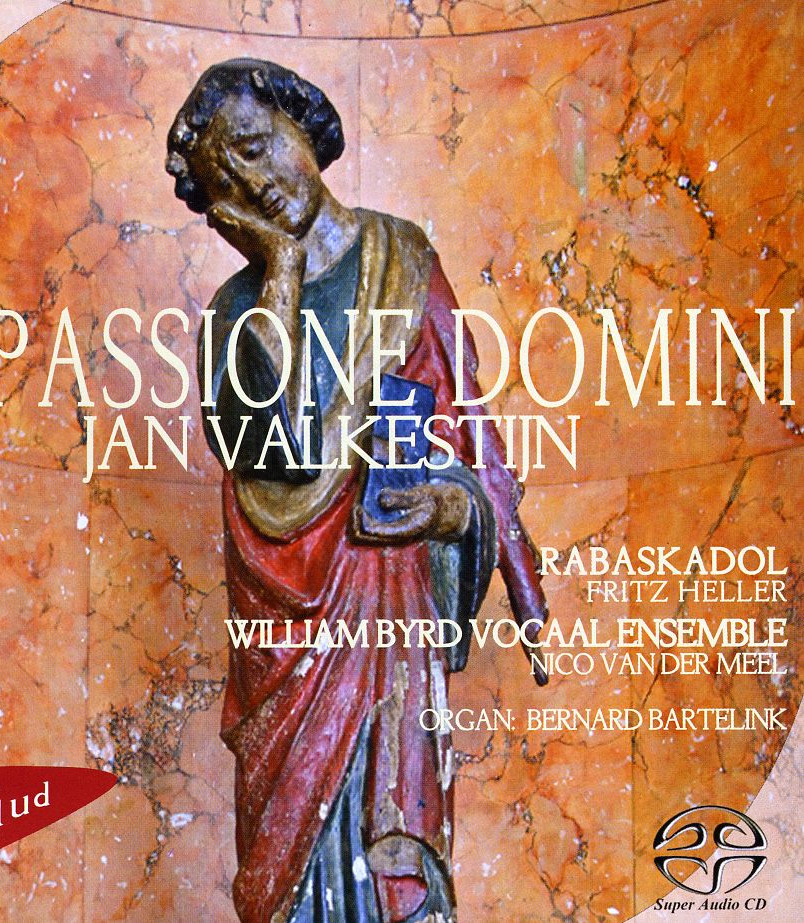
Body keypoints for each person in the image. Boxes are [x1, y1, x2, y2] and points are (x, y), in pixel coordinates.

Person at [166, 58, 548, 923]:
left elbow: (469, 447)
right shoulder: (233, 316)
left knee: (393, 859)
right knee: (287, 869)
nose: (256, 185)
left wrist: (446, 508)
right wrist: (281, 266)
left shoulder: (405, 262)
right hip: (287, 649)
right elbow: (279, 449)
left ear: (304, 125)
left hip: (391, 626)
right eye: (228, 181)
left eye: (257, 147)